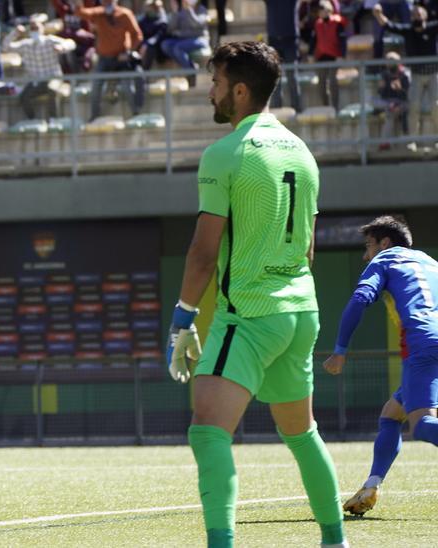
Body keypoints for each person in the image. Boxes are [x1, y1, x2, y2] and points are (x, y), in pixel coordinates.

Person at [165, 41, 344, 547]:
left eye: (217, 84)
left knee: (207, 431)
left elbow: (203, 253)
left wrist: (182, 319)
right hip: (300, 311)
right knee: (302, 433)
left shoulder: (226, 154)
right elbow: (307, 249)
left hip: (248, 314)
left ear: (240, 90)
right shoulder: (303, 153)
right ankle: (336, 540)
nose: (211, 95)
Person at [325, 216, 438, 517]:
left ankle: (372, 485)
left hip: (424, 347)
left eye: (368, 246)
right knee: (391, 414)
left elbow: (360, 298)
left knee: (424, 426)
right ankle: (371, 486)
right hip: (431, 345)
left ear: (384, 243)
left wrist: (339, 351)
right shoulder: (430, 262)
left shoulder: (386, 258)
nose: (366, 255)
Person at [376, 4, 438, 141]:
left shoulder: (433, 28)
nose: (417, 17)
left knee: (436, 106)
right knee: (413, 106)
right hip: (416, 75)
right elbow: (388, 25)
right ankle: (412, 140)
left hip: (433, 74)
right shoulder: (408, 30)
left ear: (426, 16)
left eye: (420, 14)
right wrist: (377, 14)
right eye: (415, 15)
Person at [81, 0, 145, 120]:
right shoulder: (98, 13)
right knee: (95, 85)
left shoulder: (125, 14)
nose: (107, 3)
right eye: (104, 1)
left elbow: (137, 35)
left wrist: (129, 51)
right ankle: (94, 116)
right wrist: (77, 4)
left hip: (122, 59)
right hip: (104, 59)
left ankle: (136, 112)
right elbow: (83, 13)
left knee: (128, 85)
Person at [5, 20, 74, 120]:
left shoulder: (50, 41)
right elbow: (6, 47)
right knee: (24, 97)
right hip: (36, 82)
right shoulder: (25, 45)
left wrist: (62, 47)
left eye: (37, 28)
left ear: (42, 29)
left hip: (54, 78)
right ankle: (32, 120)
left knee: (52, 89)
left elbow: (71, 43)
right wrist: (15, 33)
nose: (35, 31)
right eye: (32, 29)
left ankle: (54, 119)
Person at [305, 1, 345, 109]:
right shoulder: (317, 24)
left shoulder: (337, 22)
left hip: (334, 57)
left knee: (333, 81)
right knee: (321, 84)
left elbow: (342, 40)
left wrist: (342, 55)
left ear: (329, 10)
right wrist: (310, 54)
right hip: (321, 57)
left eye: (323, 10)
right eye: (320, 10)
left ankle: (335, 107)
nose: (322, 12)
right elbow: (314, 40)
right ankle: (326, 106)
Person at [265, 0, 303, 112]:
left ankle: (297, 109)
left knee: (293, 77)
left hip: (290, 39)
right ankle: (277, 109)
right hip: (274, 40)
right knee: (276, 77)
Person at [161, 0, 209, 86]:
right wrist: (175, 12)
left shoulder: (202, 9)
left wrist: (189, 10)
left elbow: (196, 24)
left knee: (178, 48)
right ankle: (190, 66)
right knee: (165, 45)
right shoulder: (181, 10)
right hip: (184, 40)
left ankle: (190, 72)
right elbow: (171, 29)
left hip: (199, 39)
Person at [374, 53, 410, 148]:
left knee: (392, 113)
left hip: (400, 103)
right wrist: (382, 87)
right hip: (387, 103)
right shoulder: (384, 75)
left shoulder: (404, 76)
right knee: (388, 110)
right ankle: (385, 142)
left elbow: (405, 96)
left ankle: (385, 143)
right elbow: (381, 94)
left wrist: (399, 89)